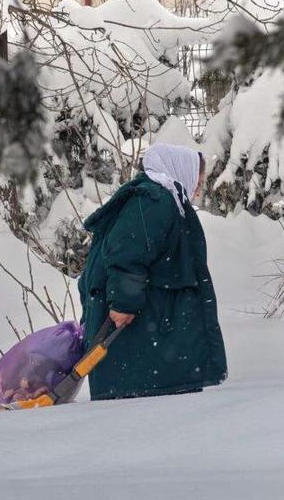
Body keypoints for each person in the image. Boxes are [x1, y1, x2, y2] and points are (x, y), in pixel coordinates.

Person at [77, 143, 228, 400]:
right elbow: (128, 251)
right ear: (181, 170)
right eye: (198, 181)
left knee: (160, 400)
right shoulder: (155, 201)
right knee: (150, 406)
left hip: (153, 326)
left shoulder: (162, 199)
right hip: (144, 328)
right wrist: (124, 302)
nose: (199, 189)